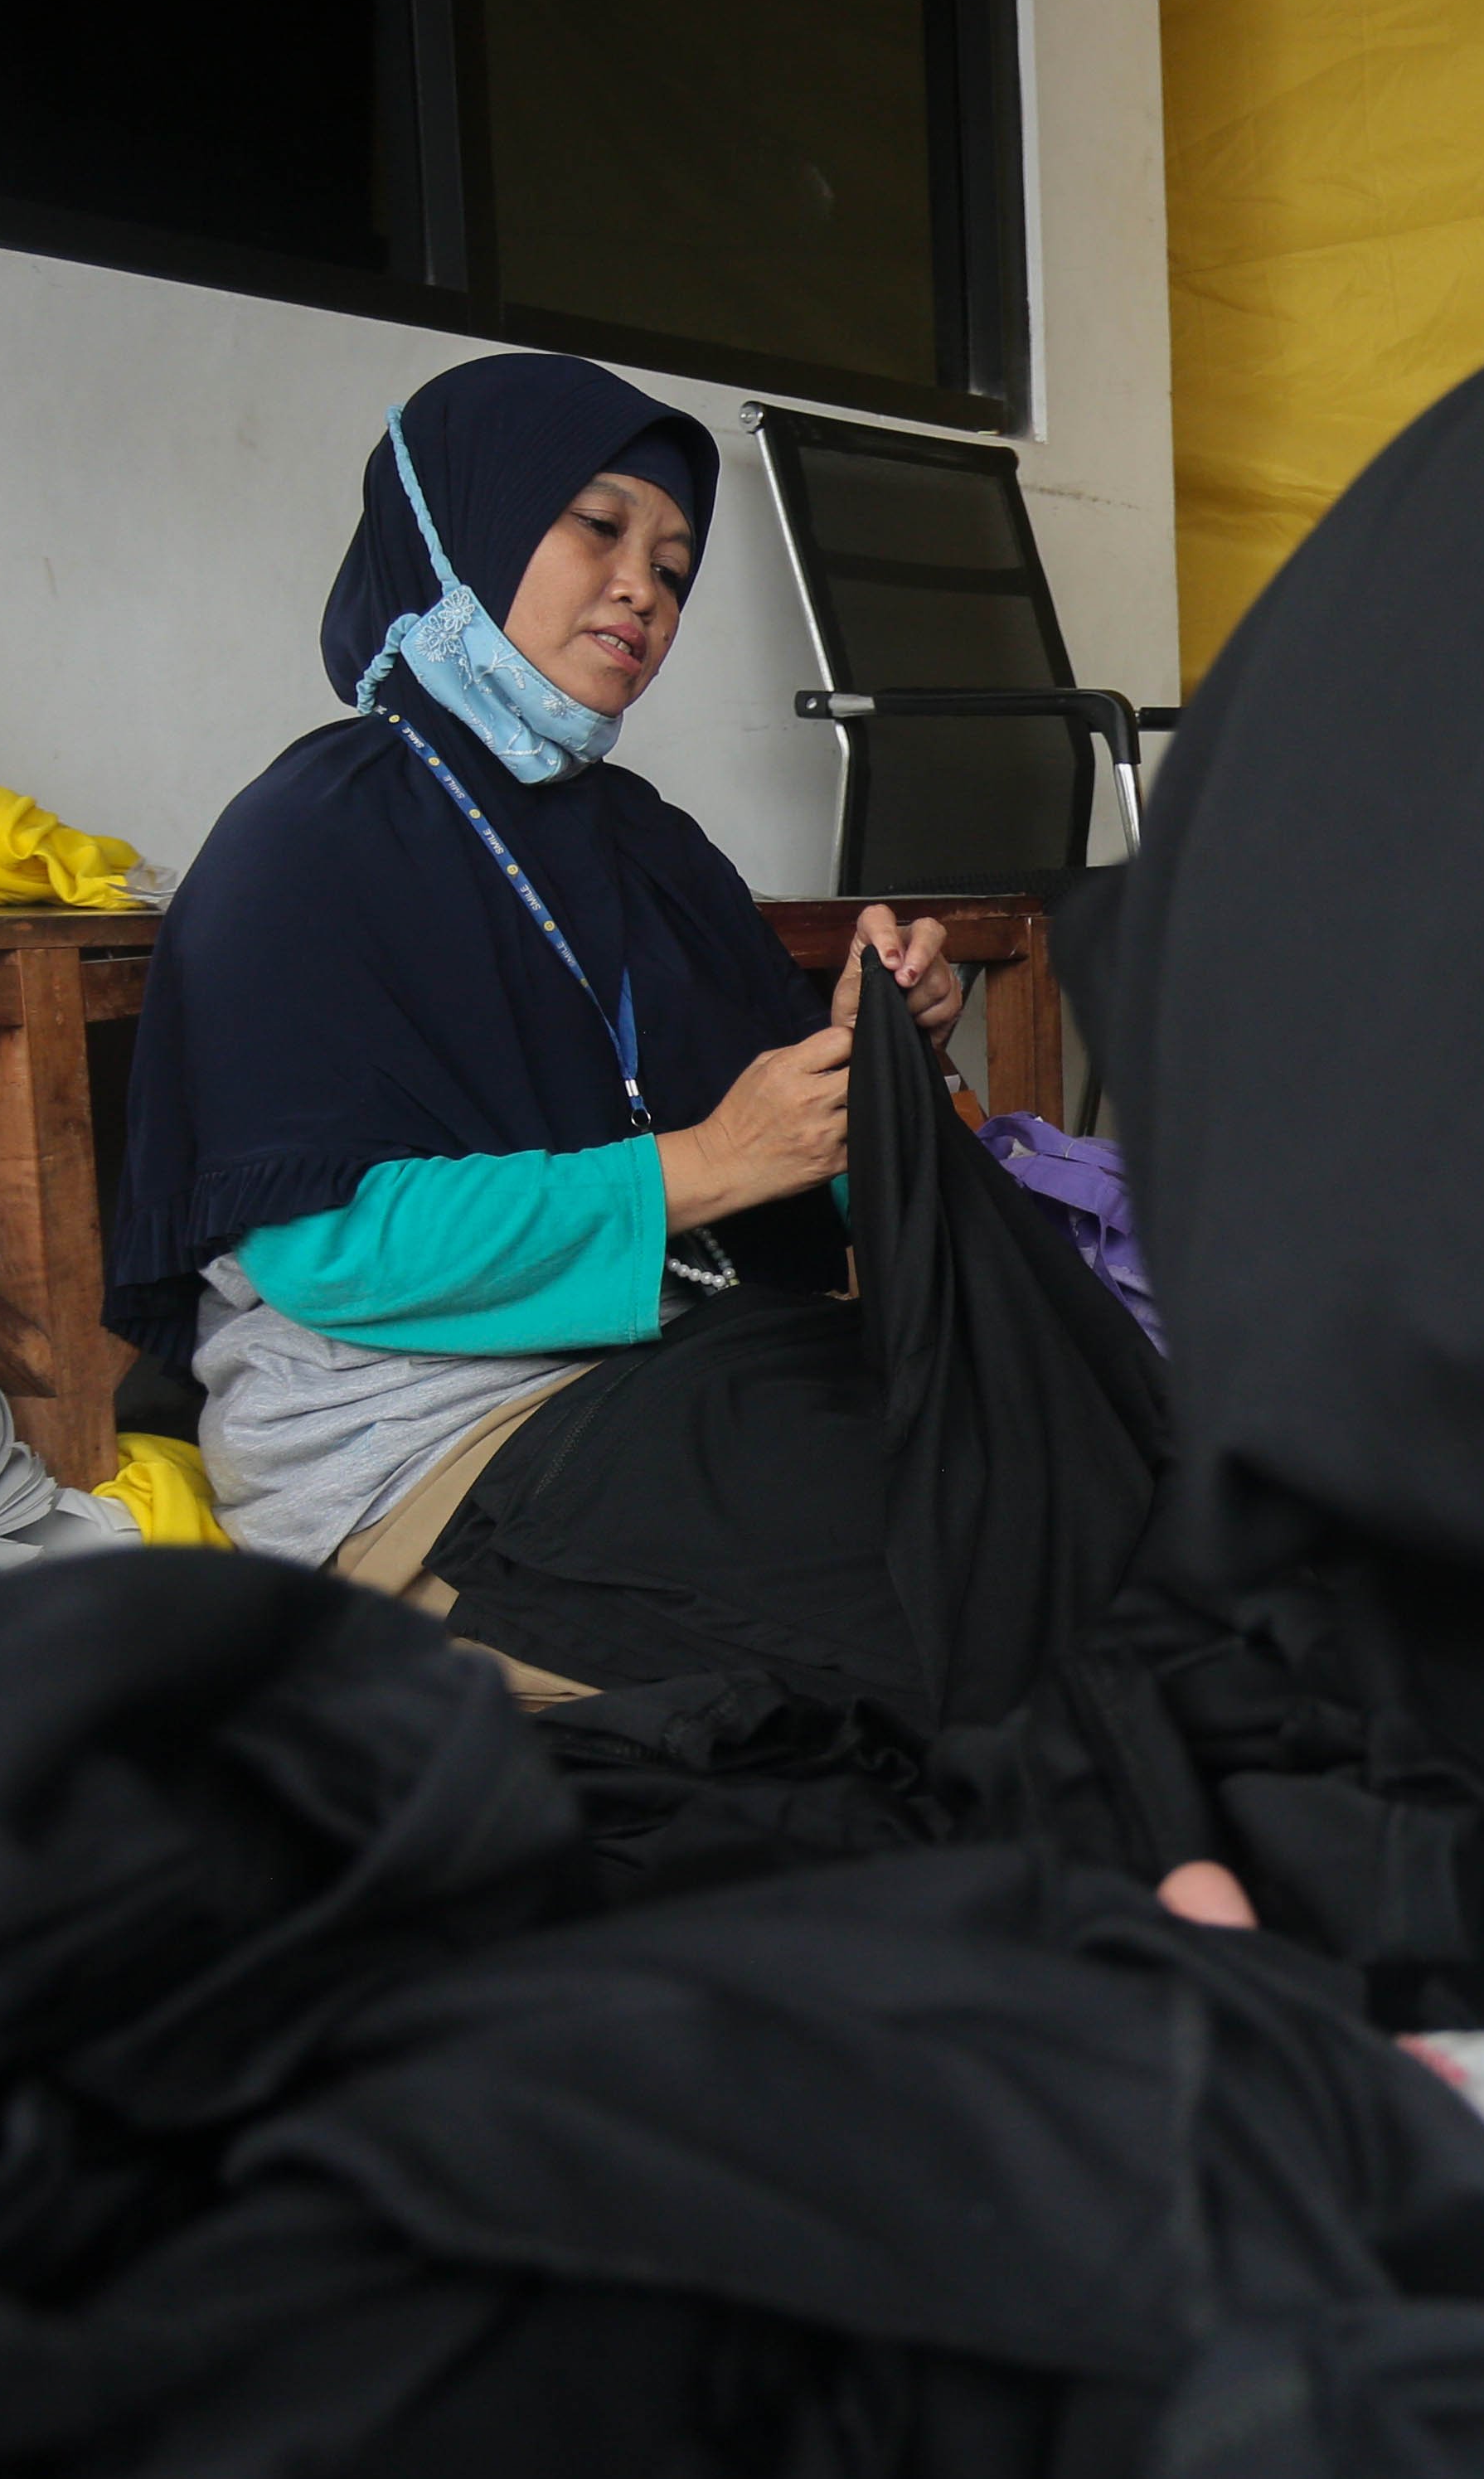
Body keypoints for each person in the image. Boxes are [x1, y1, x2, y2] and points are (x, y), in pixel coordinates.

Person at [109, 352, 972, 1690]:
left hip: (686, 1370)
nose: (643, 586)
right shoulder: (316, 834)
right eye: (597, 526)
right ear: (465, 521)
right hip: (422, 1440)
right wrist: (714, 1164)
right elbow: (329, 1255)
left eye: (676, 565)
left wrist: (879, 1064)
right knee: (935, 1603)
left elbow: (814, 1193)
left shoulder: (651, 852)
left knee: (1040, 1478)